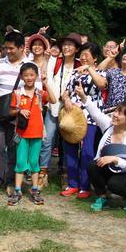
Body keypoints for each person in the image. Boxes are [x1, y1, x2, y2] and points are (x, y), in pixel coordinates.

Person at [77, 86, 126, 213]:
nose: (115, 115)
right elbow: (95, 113)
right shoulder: (109, 126)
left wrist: (115, 159)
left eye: (119, 113)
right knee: (93, 166)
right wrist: (83, 96)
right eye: (116, 111)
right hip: (108, 168)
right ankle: (102, 197)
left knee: (114, 184)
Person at [0, 31, 31, 194]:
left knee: (14, 147)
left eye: (11, 48)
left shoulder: (30, 66)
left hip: (18, 114)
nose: (8, 51)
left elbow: (35, 91)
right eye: (6, 48)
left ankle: (10, 180)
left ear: (21, 48)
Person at [60, 42, 105, 198]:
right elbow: (65, 92)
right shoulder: (75, 73)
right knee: (70, 149)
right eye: (82, 54)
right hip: (72, 116)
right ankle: (73, 184)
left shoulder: (101, 73)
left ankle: (85, 186)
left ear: (95, 58)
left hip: (90, 116)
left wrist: (89, 69)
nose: (83, 57)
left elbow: (102, 85)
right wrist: (66, 99)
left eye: (87, 55)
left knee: (87, 152)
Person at [8, 62, 56, 206]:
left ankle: (35, 190)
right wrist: (19, 111)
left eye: (32, 75)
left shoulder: (40, 93)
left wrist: (46, 83)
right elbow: (10, 111)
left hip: (37, 134)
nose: (29, 78)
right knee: (20, 162)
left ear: (36, 76)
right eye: (26, 75)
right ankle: (17, 190)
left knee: (35, 162)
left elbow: (53, 100)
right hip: (22, 134)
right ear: (22, 77)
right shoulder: (17, 93)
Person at [44, 32, 82, 192]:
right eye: (64, 44)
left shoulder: (80, 65)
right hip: (53, 106)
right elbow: (46, 77)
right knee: (47, 140)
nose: (66, 47)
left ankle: (66, 174)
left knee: (69, 142)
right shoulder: (55, 62)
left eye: (70, 45)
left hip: (70, 109)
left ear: (77, 49)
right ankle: (43, 172)